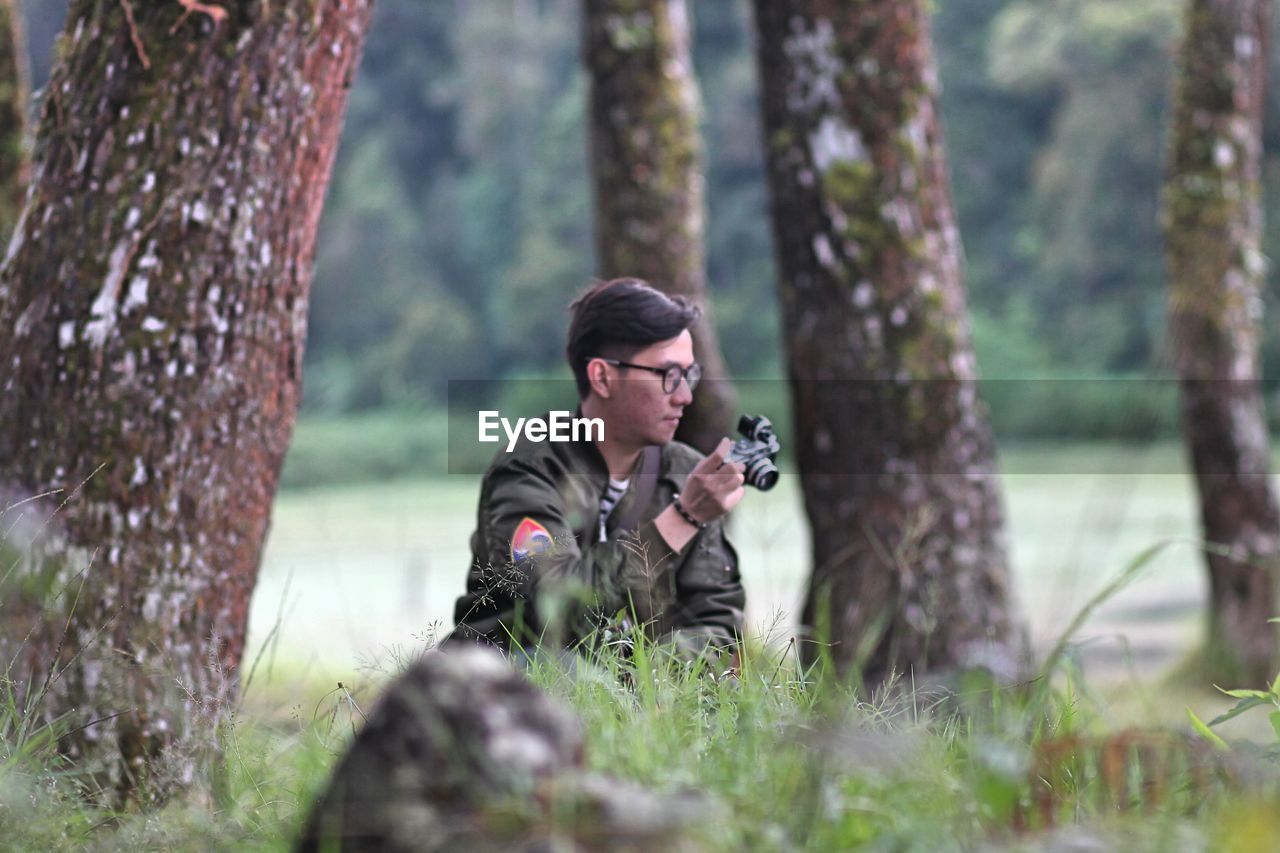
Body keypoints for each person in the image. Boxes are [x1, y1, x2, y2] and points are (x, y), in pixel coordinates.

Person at [446, 278, 747, 659]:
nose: (685, 396)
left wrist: (650, 680)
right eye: (668, 376)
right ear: (602, 377)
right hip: (513, 687)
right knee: (564, 667)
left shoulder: (685, 472)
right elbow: (559, 606)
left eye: (690, 375)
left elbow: (717, 620)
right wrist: (683, 518)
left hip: (642, 697)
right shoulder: (529, 469)